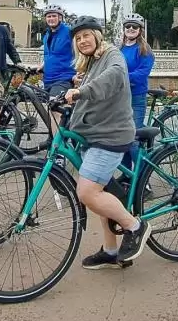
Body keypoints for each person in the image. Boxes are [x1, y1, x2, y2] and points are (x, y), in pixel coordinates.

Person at [63, 16, 151, 270]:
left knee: (88, 192)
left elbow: (113, 77)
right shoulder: (91, 63)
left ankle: (135, 226)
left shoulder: (112, 54)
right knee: (100, 192)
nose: (82, 41)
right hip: (94, 133)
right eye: (77, 39)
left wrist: (82, 91)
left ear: (97, 36)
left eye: (86, 35)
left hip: (111, 133)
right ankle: (111, 251)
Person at [118, 13, 155, 175]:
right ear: (124, 29)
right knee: (121, 139)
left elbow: (142, 73)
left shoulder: (144, 50)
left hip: (136, 97)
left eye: (135, 27)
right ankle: (127, 176)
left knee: (133, 138)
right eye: (128, 26)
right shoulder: (118, 49)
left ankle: (143, 180)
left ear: (140, 30)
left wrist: (121, 76)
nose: (131, 29)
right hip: (119, 98)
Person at [38, 4, 74, 98]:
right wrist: (42, 65)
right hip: (48, 80)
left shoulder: (69, 32)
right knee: (44, 108)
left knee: (55, 106)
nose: (51, 18)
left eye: (54, 16)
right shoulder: (46, 36)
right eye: (48, 16)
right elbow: (49, 55)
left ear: (60, 18)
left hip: (63, 79)